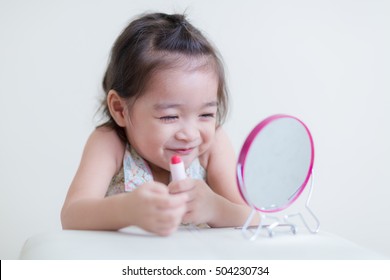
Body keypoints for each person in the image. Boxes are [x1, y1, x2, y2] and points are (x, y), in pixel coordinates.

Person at [61, 12, 256, 236]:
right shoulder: (110, 141)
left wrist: (215, 208)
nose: (190, 134)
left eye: (206, 114)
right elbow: (71, 215)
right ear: (119, 109)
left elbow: (252, 217)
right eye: (170, 116)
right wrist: (127, 210)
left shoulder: (213, 144)